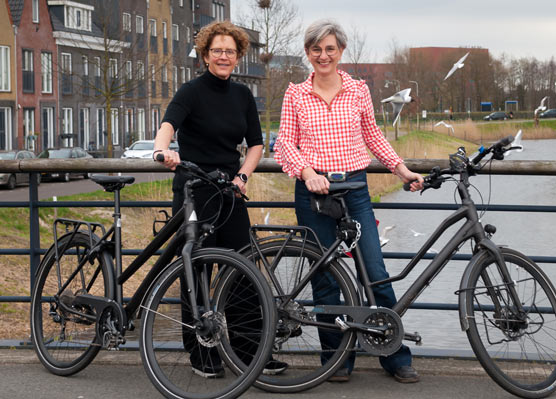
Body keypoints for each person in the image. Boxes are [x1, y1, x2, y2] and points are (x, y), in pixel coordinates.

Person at [274, 19, 424, 384]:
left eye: (330, 48)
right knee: (325, 278)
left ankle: (394, 355)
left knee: (375, 274)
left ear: (341, 51)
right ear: (308, 54)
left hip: (355, 192)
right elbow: (283, 144)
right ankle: (337, 358)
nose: (323, 55)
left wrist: (401, 170)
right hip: (313, 194)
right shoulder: (295, 94)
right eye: (316, 49)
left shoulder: (358, 90)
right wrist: (306, 172)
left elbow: (373, 136)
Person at [153, 20, 286, 378]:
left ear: (238, 56)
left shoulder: (243, 95)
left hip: (229, 189)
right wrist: (162, 151)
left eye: (230, 51)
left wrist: (243, 175)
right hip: (195, 189)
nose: (223, 57)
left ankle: (249, 352)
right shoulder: (191, 91)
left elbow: (256, 144)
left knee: (244, 270)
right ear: (205, 55)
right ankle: (200, 352)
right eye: (217, 51)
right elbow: (168, 125)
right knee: (196, 270)